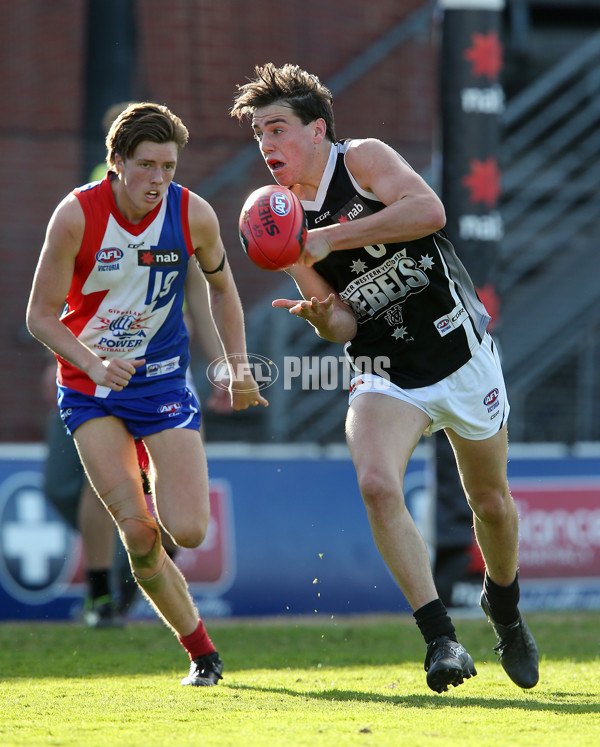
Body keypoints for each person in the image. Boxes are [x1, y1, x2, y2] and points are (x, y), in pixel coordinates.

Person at [231, 63, 538, 693]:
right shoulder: (283, 221)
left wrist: (330, 237)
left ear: (317, 131)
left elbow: (428, 210)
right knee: (375, 482)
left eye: (278, 129)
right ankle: (441, 641)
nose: (267, 145)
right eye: (259, 134)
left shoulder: (362, 159)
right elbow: (343, 323)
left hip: (459, 353)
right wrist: (323, 322)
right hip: (384, 368)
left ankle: (504, 608)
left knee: (491, 504)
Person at [27, 101, 268, 687]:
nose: (158, 179)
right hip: (90, 389)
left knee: (187, 531)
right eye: (146, 165)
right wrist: (91, 360)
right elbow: (39, 316)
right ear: (115, 163)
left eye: (169, 166)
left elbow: (223, 292)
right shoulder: (76, 215)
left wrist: (236, 368)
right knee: (138, 534)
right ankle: (203, 655)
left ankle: (145, 472)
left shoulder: (194, 214)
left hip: (161, 383)